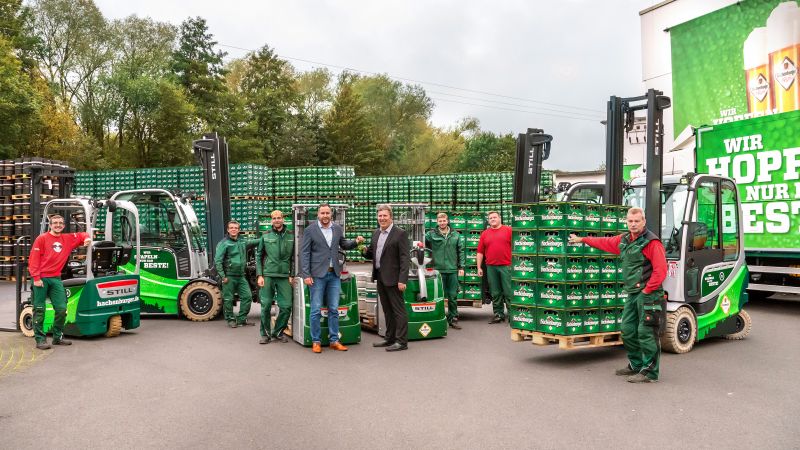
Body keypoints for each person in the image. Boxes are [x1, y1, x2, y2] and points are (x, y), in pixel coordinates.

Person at [569, 206, 667, 384]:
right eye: (630, 221)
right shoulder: (624, 240)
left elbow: (661, 271)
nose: (633, 224)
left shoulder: (652, 243)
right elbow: (603, 242)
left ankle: (650, 372)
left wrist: (647, 290)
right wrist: (582, 239)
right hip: (632, 293)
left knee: (646, 332)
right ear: (626, 221)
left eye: (637, 221)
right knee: (628, 330)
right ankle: (636, 365)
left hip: (649, 294)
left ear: (644, 221)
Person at [299, 204, 364, 354]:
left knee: (333, 309)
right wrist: (306, 275)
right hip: (317, 275)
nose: (325, 215)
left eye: (328, 213)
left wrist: (355, 242)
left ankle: (334, 340)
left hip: (334, 274)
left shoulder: (337, 229)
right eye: (322, 213)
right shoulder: (310, 230)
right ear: (318, 215)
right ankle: (316, 341)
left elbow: (344, 244)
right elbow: (304, 253)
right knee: (315, 310)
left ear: (331, 214)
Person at [27, 214, 92, 350]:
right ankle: (40, 339)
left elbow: (82, 234)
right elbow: (34, 259)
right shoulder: (42, 239)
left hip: (55, 278)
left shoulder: (67, 239)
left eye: (60, 223)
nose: (58, 225)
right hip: (41, 278)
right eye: (55, 223)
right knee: (39, 309)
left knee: (62, 309)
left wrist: (86, 238)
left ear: (63, 225)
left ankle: (58, 337)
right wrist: (36, 278)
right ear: (50, 225)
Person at [363, 204, 410, 352]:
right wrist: (362, 249)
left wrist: (402, 279)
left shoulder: (400, 234)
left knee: (398, 310)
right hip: (381, 277)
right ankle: (390, 338)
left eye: (385, 216)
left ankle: (401, 342)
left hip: (394, 279)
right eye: (380, 216)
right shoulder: (376, 233)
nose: (382, 218)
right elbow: (371, 253)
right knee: (387, 310)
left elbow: (405, 258)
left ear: (391, 217)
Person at [255, 210, 294, 344]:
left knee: (286, 306)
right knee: (265, 306)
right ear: (271, 221)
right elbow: (259, 255)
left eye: (279, 218)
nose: (277, 220)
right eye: (274, 218)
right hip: (268, 275)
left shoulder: (291, 236)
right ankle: (265, 334)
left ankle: (278, 332)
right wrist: (260, 275)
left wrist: (292, 274)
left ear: (283, 219)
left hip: (284, 276)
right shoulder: (265, 236)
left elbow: (294, 257)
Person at [425, 212, 465, 329]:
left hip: (452, 270)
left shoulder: (456, 235)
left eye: (444, 221)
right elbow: (424, 246)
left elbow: (461, 251)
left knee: (453, 296)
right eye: (440, 221)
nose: (442, 223)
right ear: (437, 222)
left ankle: (453, 318)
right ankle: (439, 318)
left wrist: (461, 267)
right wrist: (427, 261)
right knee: (438, 296)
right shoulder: (431, 234)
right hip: (437, 271)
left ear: (447, 221)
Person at [215, 221, 258, 328]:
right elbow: (218, 261)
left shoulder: (242, 242)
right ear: (228, 230)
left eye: (236, 228)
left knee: (247, 297)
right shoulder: (224, 243)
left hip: (241, 276)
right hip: (229, 276)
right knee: (228, 299)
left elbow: (253, 242)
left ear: (239, 230)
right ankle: (230, 319)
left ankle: (241, 319)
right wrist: (223, 276)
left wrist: (265, 238)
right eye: (231, 228)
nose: (233, 229)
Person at [476, 211, 512, 323]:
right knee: (495, 292)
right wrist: (479, 267)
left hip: (507, 266)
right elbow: (480, 252)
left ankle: (513, 316)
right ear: (488, 220)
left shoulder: (509, 230)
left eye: (494, 217)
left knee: (509, 292)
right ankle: (498, 314)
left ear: (499, 218)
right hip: (491, 267)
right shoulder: (485, 234)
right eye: (490, 218)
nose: (492, 219)